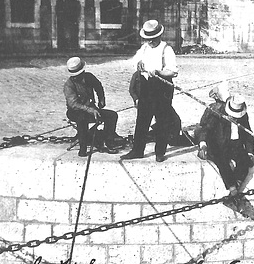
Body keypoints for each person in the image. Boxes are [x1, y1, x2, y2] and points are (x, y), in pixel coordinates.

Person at [121, 20, 178, 162]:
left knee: (162, 121)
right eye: (148, 39)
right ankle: (137, 150)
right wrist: (138, 64)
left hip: (162, 87)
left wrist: (159, 72)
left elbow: (173, 71)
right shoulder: (144, 48)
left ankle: (160, 152)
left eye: (152, 39)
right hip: (146, 87)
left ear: (159, 36)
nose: (150, 42)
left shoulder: (167, 49)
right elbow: (134, 60)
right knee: (142, 119)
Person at [195, 90, 254, 212]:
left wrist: (250, 152)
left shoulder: (243, 116)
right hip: (218, 145)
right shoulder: (217, 113)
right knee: (223, 163)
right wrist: (203, 144)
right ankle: (234, 193)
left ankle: (234, 194)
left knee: (245, 160)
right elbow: (205, 129)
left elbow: (248, 134)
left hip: (235, 145)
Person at [63, 57, 123, 157]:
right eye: (76, 76)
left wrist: (101, 99)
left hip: (91, 109)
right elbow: (74, 104)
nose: (78, 77)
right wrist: (89, 110)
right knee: (82, 119)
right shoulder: (69, 85)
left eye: (80, 74)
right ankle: (83, 148)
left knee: (112, 115)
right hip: (75, 111)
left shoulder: (89, 77)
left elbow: (98, 86)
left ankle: (108, 141)